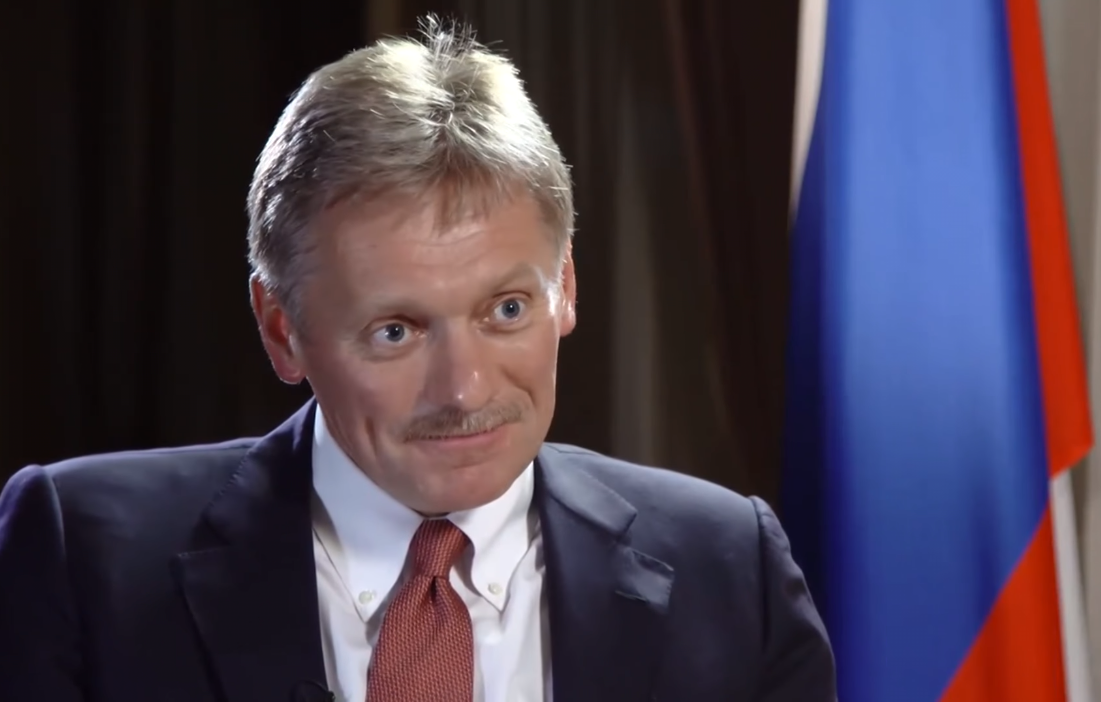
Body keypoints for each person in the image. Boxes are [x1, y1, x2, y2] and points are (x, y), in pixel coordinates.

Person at [0, 17, 835, 702]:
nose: (463, 389)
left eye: (506, 311)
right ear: (281, 329)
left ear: (566, 289)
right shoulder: (85, 557)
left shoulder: (730, 569)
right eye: (395, 331)